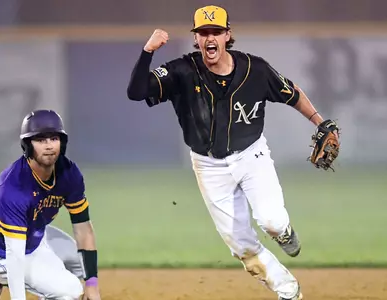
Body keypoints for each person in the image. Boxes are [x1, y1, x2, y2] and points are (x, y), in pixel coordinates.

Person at [126, 5, 339, 300]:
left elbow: (292, 93)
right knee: (242, 246)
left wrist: (321, 121)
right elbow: (136, 92)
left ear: (228, 35)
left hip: (251, 156)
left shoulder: (256, 69)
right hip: (208, 166)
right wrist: (148, 51)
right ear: (196, 38)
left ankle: (284, 231)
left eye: (216, 31)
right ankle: (288, 291)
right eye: (203, 32)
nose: (209, 38)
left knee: (272, 222)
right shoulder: (182, 71)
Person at [0, 109, 101, 300]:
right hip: (1, 251)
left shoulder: (68, 173)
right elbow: (15, 257)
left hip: (34, 235)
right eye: (41, 140)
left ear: (62, 142)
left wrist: (92, 285)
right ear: (28, 145)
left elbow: (83, 229)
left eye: (53, 138)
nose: (49, 145)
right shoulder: (13, 188)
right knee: (71, 292)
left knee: (77, 263)